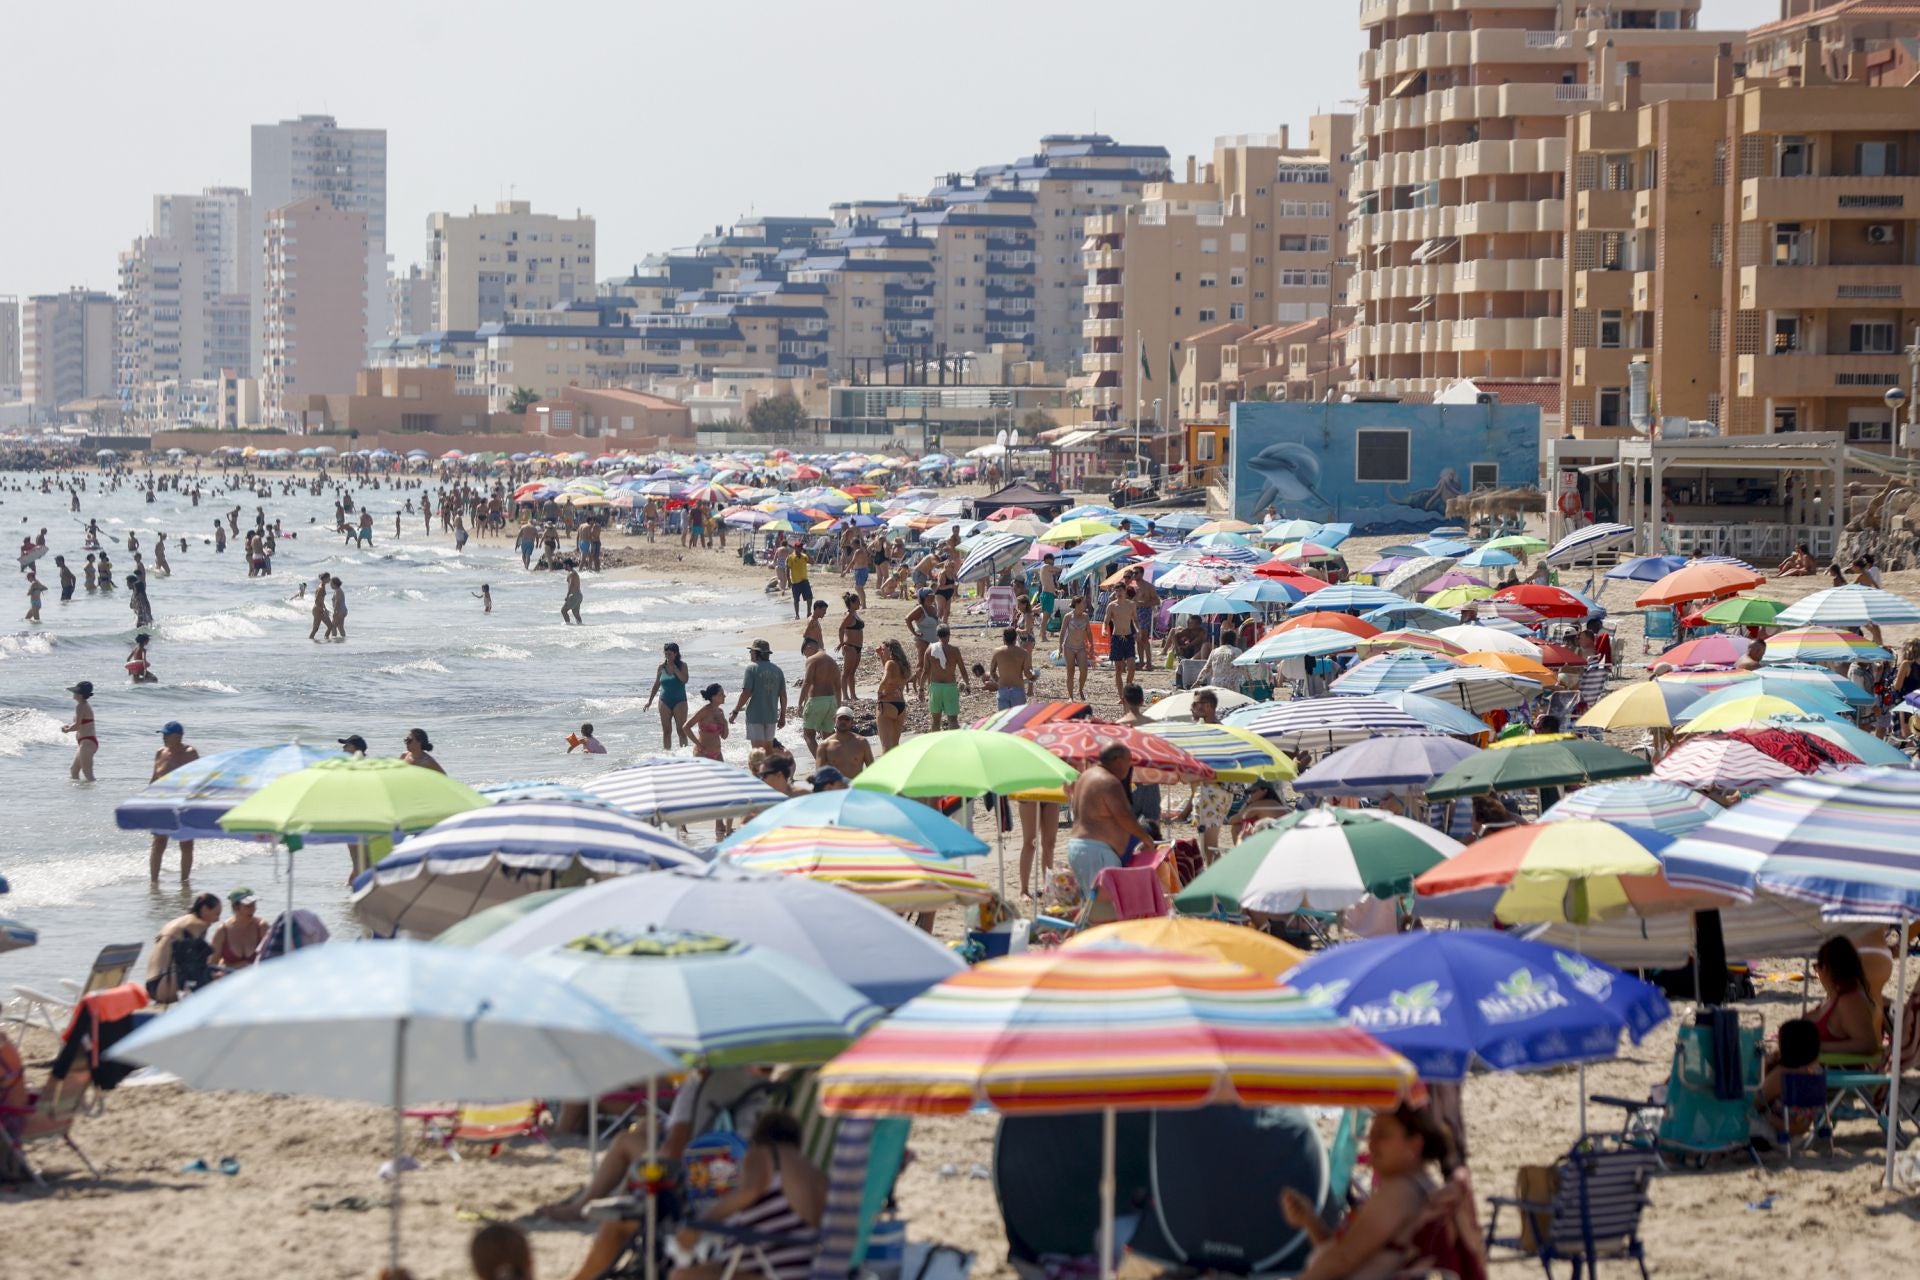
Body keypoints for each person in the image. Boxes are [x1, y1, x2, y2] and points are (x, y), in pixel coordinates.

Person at [1280, 1102, 1456, 1280]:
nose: (1371, 1144)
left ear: (1415, 1145)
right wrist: (1310, 1221)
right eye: (1371, 1134)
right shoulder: (1418, 1187)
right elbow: (1348, 1251)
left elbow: (1344, 1258)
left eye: (1382, 1135)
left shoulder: (1400, 1192)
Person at [665, 1110, 826, 1280]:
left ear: (756, 1140)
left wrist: (698, 1227)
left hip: (773, 1272)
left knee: (681, 1277)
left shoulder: (767, 1153)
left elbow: (749, 1190)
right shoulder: (817, 1176)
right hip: (804, 1271)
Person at [1758, 935, 1885, 1122]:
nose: (1817, 972)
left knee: (1780, 1075)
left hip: (1834, 1072)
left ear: (1828, 969)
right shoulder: (1833, 998)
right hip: (1818, 1066)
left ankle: (1746, 1114)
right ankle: (1754, 1116)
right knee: (1761, 1064)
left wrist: (1818, 1048)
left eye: (1817, 967)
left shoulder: (1850, 1002)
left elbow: (1867, 1045)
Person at [1065, 743, 1157, 899]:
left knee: (1091, 903)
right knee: (1107, 905)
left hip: (1080, 847)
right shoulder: (1108, 782)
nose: (1130, 765)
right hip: (1096, 852)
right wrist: (1146, 838)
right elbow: (1124, 816)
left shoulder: (1086, 776)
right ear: (1118, 760)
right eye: (1129, 760)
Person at [145, 893, 223, 1003]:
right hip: (166, 984)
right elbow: (199, 963)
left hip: (153, 985)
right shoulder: (197, 924)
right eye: (216, 914)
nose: (218, 919)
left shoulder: (182, 921)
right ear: (205, 909)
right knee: (224, 974)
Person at [148, 721, 201, 880]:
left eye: (166, 735)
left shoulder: (190, 753)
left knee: (186, 844)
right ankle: (154, 882)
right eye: (163, 735)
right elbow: (154, 780)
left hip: (184, 804)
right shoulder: (160, 752)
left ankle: (184, 881)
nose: (163, 738)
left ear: (178, 736)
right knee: (158, 843)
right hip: (162, 805)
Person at [731, 639, 787, 750]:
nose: (750, 654)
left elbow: (746, 693)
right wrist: (782, 717)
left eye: (751, 651)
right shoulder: (778, 670)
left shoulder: (751, 668)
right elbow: (783, 696)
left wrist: (735, 711)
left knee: (758, 752)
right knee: (768, 751)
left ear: (758, 653)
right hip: (771, 717)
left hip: (755, 716)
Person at [917, 624, 969, 733]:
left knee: (936, 721)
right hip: (950, 687)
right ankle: (954, 742)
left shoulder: (930, 650)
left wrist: (921, 689)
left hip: (935, 688)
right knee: (953, 720)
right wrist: (967, 684)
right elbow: (963, 670)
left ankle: (936, 742)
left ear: (937, 635)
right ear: (949, 635)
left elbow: (925, 672)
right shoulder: (954, 650)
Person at [796, 637, 841, 761]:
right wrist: (838, 706)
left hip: (816, 700)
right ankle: (835, 762)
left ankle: (822, 764)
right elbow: (838, 686)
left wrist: (800, 703)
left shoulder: (812, 659)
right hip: (831, 701)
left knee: (808, 735)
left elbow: (807, 682)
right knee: (828, 736)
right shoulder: (832, 661)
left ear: (809, 647)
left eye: (805, 653)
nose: (806, 657)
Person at [646, 642, 693, 750]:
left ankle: (684, 755)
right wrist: (650, 701)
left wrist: (675, 669)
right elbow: (656, 685)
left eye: (670, 654)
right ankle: (667, 755)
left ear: (676, 653)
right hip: (664, 701)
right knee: (666, 731)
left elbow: (685, 680)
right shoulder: (661, 668)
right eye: (666, 654)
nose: (667, 656)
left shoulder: (682, 665)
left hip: (680, 701)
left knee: (681, 730)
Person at [208, 888, 267, 970]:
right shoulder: (223, 931)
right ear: (235, 907)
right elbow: (212, 966)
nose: (252, 909)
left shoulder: (261, 927)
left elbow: (274, 960)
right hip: (231, 976)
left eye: (254, 905)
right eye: (248, 906)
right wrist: (236, 967)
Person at [874, 638, 911, 755]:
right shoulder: (903, 665)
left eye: (884, 649)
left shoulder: (890, 664)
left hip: (887, 704)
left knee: (886, 746)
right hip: (900, 706)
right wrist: (881, 656)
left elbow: (885, 679)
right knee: (895, 746)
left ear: (890, 650)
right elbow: (891, 674)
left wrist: (879, 693)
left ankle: (885, 767)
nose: (882, 651)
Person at [818, 708, 874, 780]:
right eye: (840, 718)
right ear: (834, 719)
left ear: (852, 721)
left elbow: (872, 769)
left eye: (847, 719)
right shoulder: (824, 746)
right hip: (836, 786)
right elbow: (819, 775)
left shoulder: (862, 743)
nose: (843, 721)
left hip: (856, 785)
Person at [1106, 583, 1140, 702]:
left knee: (1132, 667)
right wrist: (1103, 630)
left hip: (1128, 637)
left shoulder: (1131, 605)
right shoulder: (1112, 605)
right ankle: (1121, 696)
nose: (1119, 592)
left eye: (1121, 590)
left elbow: (1135, 620)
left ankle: (1127, 691)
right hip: (1117, 637)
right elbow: (1106, 621)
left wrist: (1137, 630)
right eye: (1117, 590)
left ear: (1125, 591)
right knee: (1118, 669)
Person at [62, 680, 98, 781]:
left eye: (75, 692)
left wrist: (67, 730)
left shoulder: (81, 706)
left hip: (87, 742)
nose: (73, 693)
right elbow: (80, 724)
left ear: (80, 694)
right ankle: (78, 790)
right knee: (74, 770)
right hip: (85, 742)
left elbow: (77, 726)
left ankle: (94, 790)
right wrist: (69, 727)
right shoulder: (83, 705)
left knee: (87, 773)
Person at [1061, 596, 1092, 701]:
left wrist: (1092, 645)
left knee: (1084, 671)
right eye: (1083, 603)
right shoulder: (1068, 617)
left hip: (1081, 647)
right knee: (1070, 671)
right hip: (1069, 647)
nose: (1085, 605)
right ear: (1077, 604)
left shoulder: (1085, 617)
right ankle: (1070, 696)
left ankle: (1080, 689)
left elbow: (1089, 632)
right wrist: (1060, 646)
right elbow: (1062, 632)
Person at [688, 683, 730, 761]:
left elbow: (724, 737)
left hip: (718, 754)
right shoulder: (705, 711)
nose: (724, 696)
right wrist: (698, 745)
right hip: (702, 753)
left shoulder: (720, 711)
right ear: (713, 697)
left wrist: (725, 724)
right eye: (721, 694)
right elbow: (686, 727)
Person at [837, 593, 865, 701]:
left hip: (858, 647)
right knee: (846, 672)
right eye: (858, 602)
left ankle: (853, 695)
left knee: (852, 672)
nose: (860, 603)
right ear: (852, 603)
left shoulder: (855, 613)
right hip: (850, 646)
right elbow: (841, 629)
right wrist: (842, 643)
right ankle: (845, 696)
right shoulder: (848, 615)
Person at [786, 544, 813, 619]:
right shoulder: (791, 557)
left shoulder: (804, 556)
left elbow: (812, 562)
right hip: (795, 582)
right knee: (796, 600)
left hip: (804, 581)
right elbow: (787, 569)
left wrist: (807, 553)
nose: (800, 549)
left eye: (801, 548)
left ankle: (809, 613)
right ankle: (797, 615)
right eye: (798, 547)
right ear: (795, 548)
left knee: (809, 598)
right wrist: (789, 581)